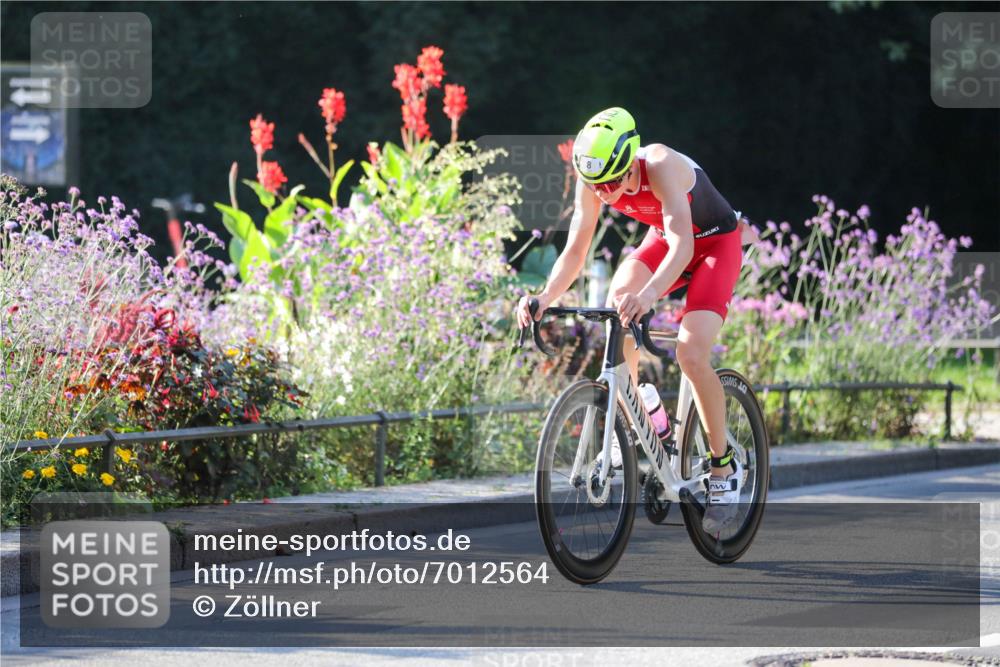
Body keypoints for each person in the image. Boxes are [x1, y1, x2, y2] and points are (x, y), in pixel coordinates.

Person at [515, 107, 758, 532]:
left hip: (713, 245)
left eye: (611, 184)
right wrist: (545, 296)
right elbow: (576, 249)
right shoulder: (594, 179)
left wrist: (648, 295)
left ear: (629, 162)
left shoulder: (660, 165)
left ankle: (723, 468)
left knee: (690, 352)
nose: (604, 194)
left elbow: (684, 247)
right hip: (664, 241)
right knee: (617, 307)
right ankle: (635, 419)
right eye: (596, 185)